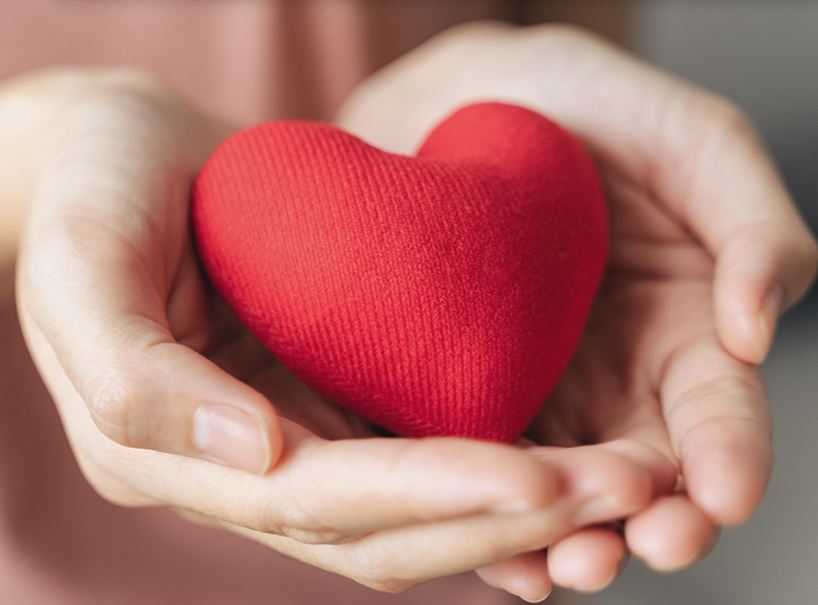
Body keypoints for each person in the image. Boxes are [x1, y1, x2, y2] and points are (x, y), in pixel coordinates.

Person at [1, 4, 816, 604]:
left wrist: (548, 46)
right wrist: (42, 157)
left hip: (480, 543)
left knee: (532, 516)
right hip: (65, 521)